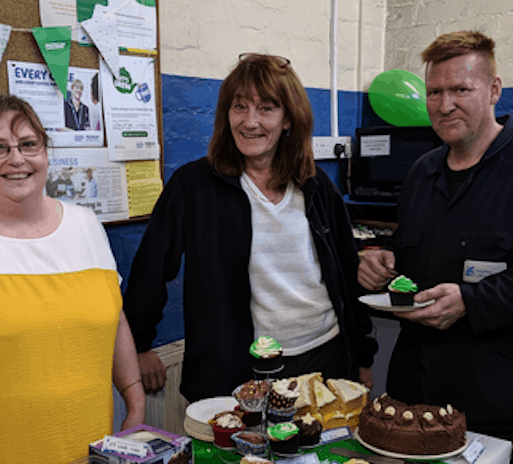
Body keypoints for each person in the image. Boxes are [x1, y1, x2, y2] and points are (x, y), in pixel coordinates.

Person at [357, 31, 513, 464]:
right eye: (435, 91)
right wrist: (384, 259)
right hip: (415, 402)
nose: (444, 103)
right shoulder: (421, 172)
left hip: (501, 406)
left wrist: (472, 302)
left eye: (460, 89)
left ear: (493, 90)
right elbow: (413, 255)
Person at [0, 95, 145, 464]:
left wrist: (135, 401)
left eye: (28, 145)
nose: (16, 159)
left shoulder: (85, 226)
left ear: (46, 154)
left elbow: (115, 320)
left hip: (87, 458)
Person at [123, 53, 378, 403]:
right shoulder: (194, 185)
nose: (250, 121)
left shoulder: (316, 185)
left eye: (266, 109)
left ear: (288, 118)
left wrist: (363, 357)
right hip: (238, 369)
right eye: (239, 107)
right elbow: (150, 268)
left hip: (324, 356)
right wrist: (138, 345)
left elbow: (348, 275)